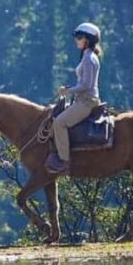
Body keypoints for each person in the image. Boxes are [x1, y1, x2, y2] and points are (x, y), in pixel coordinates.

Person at [46, 22, 102, 174]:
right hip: (83, 99)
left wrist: (68, 90)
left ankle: (64, 161)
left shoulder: (88, 58)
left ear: (87, 40)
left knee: (59, 123)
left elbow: (86, 85)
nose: (76, 40)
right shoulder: (87, 56)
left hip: (86, 102)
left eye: (79, 37)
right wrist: (70, 89)